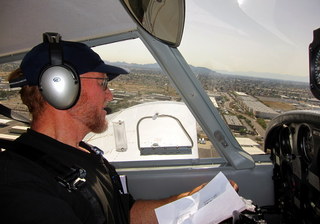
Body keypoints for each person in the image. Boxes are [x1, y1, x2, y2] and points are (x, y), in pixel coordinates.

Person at [0, 34, 232, 224]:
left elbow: (126, 216)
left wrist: (193, 201)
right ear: (58, 86)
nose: (110, 95)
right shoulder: (20, 182)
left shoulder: (88, 156)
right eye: (103, 83)